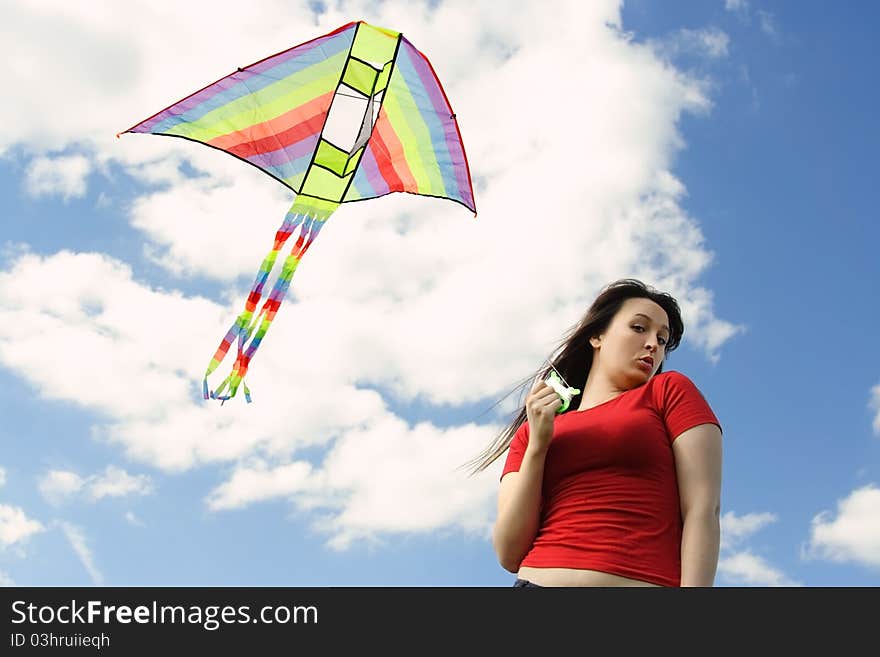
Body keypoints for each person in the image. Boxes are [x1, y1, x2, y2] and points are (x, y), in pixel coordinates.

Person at [468, 279, 723, 587]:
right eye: (639, 328)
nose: (653, 344)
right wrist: (538, 445)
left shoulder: (668, 391)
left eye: (662, 338)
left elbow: (703, 510)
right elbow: (509, 553)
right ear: (597, 335)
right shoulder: (534, 430)